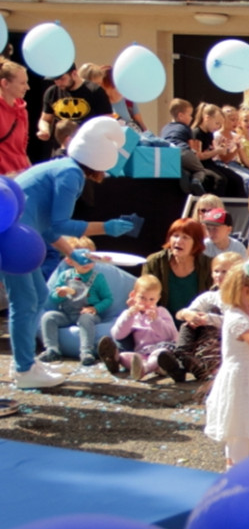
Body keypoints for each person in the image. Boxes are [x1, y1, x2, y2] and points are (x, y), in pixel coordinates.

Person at [6, 117, 131, 389]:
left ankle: (26, 363)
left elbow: (48, 226)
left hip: (16, 235)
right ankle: (24, 369)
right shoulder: (71, 173)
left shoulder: (64, 167)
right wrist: (107, 228)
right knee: (25, 301)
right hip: (11, 237)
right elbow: (61, 224)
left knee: (36, 296)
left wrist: (73, 254)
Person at [203, 258, 249, 468]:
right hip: (239, 378)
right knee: (238, 429)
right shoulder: (238, 318)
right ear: (246, 291)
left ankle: (235, 469)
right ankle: (235, 471)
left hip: (246, 374)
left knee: (240, 429)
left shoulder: (245, 315)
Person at [38, 237, 112, 366]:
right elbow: (53, 298)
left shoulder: (98, 278)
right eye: (81, 259)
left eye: (90, 259)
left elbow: (108, 299)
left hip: (87, 313)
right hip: (67, 314)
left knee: (85, 319)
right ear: (69, 260)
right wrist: (60, 294)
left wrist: (95, 309)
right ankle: (52, 349)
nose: (86, 262)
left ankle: (86, 351)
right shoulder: (65, 276)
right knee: (48, 317)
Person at [173, 251, 243, 382]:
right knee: (188, 322)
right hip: (202, 340)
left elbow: (238, 323)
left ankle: (189, 365)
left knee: (211, 309)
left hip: (223, 340)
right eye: (216, 271)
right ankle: (183, 355)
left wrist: (209, 319)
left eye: (225, 272)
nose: (219, 275)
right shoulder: (209, 296)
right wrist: (188, 314)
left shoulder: (241, 299)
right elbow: (180, 314)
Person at [101, 275, 181, 381]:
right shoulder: (130, 314)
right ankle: (115, 359)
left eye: (151, 299)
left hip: (162, 349)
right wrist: (129, 317)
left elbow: (171, 335)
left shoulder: (162, 312)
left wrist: (156, 320)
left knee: (159, 354)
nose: (147, 303)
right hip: (142, 352)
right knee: (125, 356)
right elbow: (118, 335)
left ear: (158, 298)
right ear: (133, 295)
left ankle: (145, 369)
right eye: (142, 298)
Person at [141, 218, 213, 317]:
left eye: (185, 237)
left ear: (196, 243)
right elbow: (143, 293)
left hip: (196, 324)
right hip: (159, 323)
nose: (178, 241)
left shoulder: (209, 265)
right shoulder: (154, 262)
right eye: (175, 236)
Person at [37, 62, 111, 144]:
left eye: (62, 79)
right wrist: (44, 130)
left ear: (74, 73)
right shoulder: (51, 92)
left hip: (88, 146)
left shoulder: (95, 91)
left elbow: (107, 120)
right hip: (62, 147)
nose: (58, 83)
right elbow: (45, 119)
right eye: (55, 80)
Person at [189, 102, 245, 198]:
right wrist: (217, 151)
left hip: (211, 163)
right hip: (201, 166)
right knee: (220, 180)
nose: (218, 127)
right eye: (217, 123)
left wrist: (223, 147)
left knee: (237, 179)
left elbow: (212, 152)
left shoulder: (209, 134)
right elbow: (198, 156)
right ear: (207, 118)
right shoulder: (196, 133)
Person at [0, 59, 31, 176]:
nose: (27, 87)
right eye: (22, 83)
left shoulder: (22, 111)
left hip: (20, 176)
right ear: (5, 83)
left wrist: (30, 173)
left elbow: (22, 150)